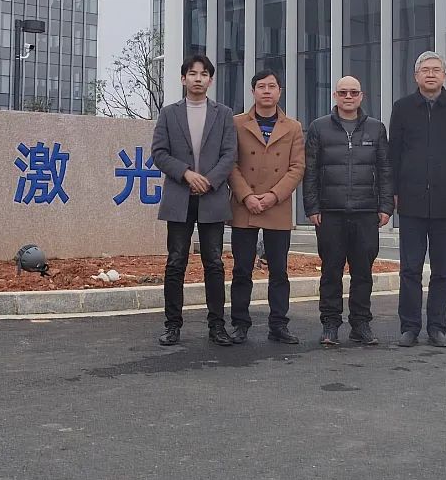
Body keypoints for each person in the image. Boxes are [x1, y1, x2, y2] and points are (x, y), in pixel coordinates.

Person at [150, 54, 238, 347]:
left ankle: (217, 326)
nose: (198, 78)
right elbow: (159, 153)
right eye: (192, 73)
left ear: (210, 80)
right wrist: (186, 174)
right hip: (179, 196)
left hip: (212, 197)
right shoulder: (169, 113)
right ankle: (172, 325)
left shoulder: (223, 114)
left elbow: (230, 154)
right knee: (176, 262)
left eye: (203, 74)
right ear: (183, 78)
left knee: (214, 263)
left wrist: (209, 180)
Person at [389, 51, 446, 348]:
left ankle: (437, 327)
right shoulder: (402, 108)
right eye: (425, 70)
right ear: (416, 76)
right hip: (411, 200)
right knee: (410, 269)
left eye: (436, 70)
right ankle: (409, 327)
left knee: (442, 270)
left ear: (444, 76)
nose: (430, 74)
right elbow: (394, 153)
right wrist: (392, 191)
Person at [303, 76, 393, 347]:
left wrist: (385, 206)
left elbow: (385, 170)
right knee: (331, 271)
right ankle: (330, 324)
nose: (348, 97)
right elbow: (310, 171)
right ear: (335, 96)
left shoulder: (376, 129)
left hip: (366, 212)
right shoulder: (319, 127)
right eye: (343, 93)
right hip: (330, 212)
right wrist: (312, 207)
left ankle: (360, 324)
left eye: (354, 92)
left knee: (363, 272)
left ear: (361, 96)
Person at [227, 69, 305, 345]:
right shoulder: (236, 123)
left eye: (272, 86)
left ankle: (279, 325)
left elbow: (297, 167)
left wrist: (273, 196)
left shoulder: (293, 127)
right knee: (241, 269)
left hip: (278, 206)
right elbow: (231, 164)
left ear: (280, 91)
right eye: (261, 86)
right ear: (253, 92)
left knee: (279, 271)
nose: (267, 91)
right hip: (244, 206)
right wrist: (246, 196)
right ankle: (240, 324)